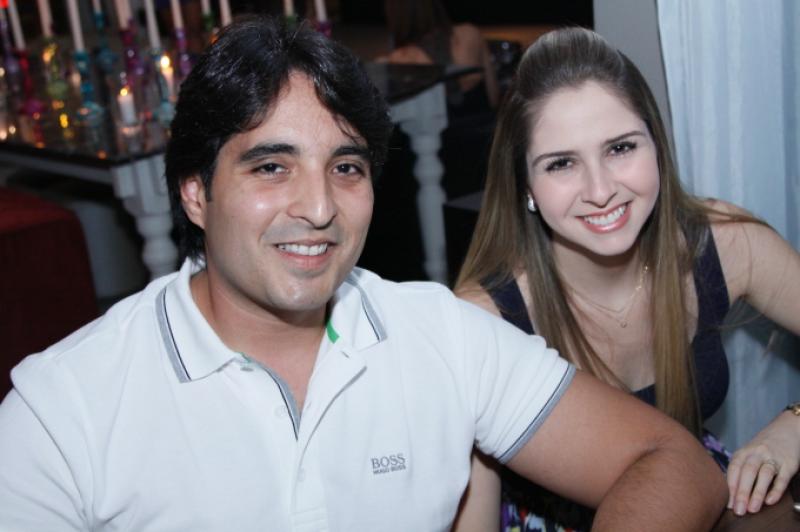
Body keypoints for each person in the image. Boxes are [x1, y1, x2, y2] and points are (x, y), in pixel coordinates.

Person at [0, 16, 727, 531]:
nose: (319, 207)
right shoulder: (65, 411)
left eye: (346, 167)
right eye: (271, 166)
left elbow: (672, 460)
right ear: (196, 192)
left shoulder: (441, 334)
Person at [454, 26, 800, 531]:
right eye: (561, 163)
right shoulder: (481, 321)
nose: (600, 191)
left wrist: (794, 425)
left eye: (620, 148)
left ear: (656, 144)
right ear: (525, 184)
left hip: (697, 505)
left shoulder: (725, 246)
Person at [381, 0, 499, 113]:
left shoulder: (402, 58)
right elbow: (493, 97)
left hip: (440, 127)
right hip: (484, 123)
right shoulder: (471, 34)